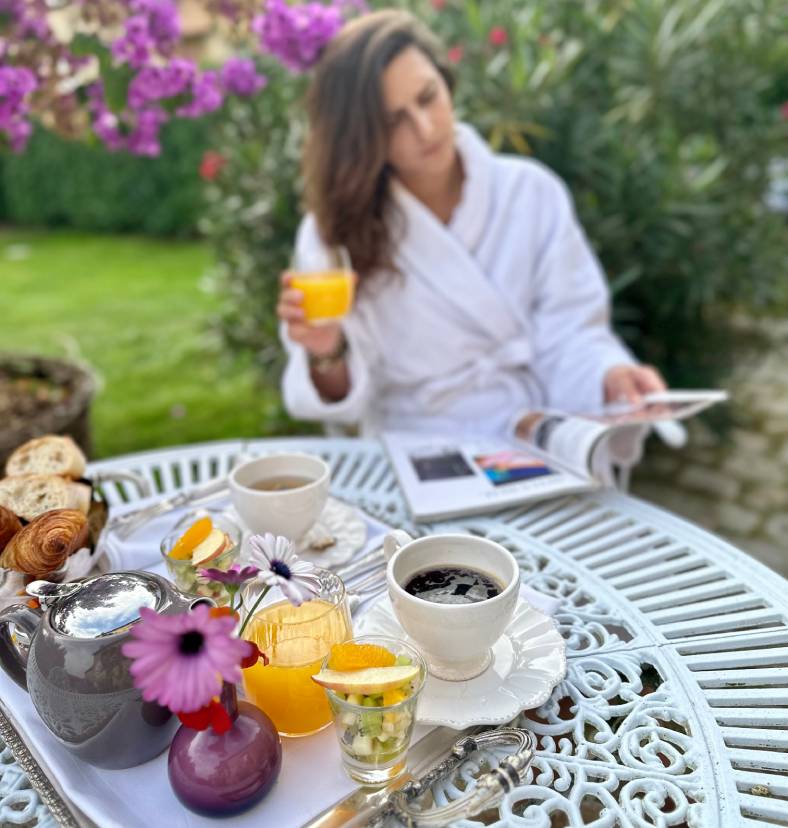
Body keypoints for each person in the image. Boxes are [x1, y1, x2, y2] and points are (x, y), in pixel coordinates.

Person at [277, 9, 665, 444]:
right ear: (361, 137)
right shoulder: (333, 233)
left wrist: (610, 376)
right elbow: (341, 401)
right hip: (416, 450)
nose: (424, 129)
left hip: (534, 434)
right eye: (393, 122)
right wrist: (327, 352)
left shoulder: (531, 192)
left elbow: (572, 330)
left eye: (427, 97)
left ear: (447, 81)